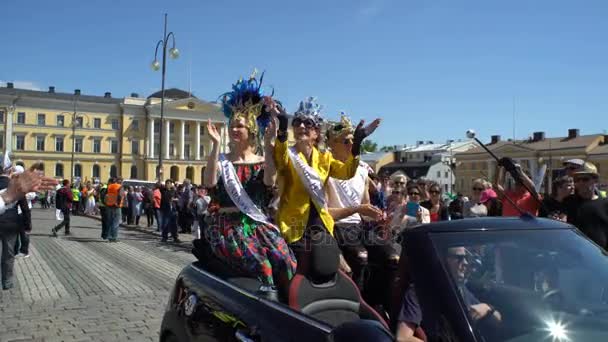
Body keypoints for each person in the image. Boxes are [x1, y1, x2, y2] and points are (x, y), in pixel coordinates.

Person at [201, 72, 296, 300]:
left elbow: (270, 181)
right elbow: (210, 183)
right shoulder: (222, 160)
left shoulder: (261, 161)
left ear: (251, 129)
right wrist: (215, 146)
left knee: (286, 260)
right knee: (262, 265)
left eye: (240, 126)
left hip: (256, 225)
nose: (234, 129)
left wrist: (268, 144)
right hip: (226, 227)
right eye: (232, 125)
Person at [270, 96, 379, 273]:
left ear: (316, 132)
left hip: (321, 224)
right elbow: (279, 158)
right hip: (295, 226)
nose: (301, 127)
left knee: (342, 270)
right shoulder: (287, 155)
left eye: (308, 123)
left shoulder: (324, 158)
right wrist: (282, 126)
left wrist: (357, 142)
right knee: (304, 270)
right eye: (297, 122)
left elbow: (347, 172)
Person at [325, 113, 396, 295]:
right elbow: (325, 212)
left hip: (359, 228)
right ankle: (359, 306)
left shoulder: (362, 171)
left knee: (393, 257)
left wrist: (377, 215)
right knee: (360, 257)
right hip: (336, 229)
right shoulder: (324, 169)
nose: (351, 145)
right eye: (345, 141)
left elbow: (364, 208)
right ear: (331, 144)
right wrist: (357, 209)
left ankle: (381, 304)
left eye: (353, 141)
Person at [395, 246, 501, 341]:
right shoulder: (419, 292)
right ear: (442, 261)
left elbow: (498, 319)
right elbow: (403, 337)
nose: (465, 263)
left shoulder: (460, 289)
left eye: (466, 258)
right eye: (459, 258)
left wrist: (488, 308)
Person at [564, 162, 608, 248]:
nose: (580, 183)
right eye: (577, 180)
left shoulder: (605, 204)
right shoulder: (568, 202)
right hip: (575, 253)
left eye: (585, 179)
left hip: (601, 256)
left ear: (595, 180)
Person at [104, 177, 123, 242]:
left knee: (109, 221)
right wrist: (118, 203)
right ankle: (114, 237)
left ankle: (109, 236)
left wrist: (106, 203)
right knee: (116, 222)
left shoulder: (109, 186)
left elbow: (106, 195)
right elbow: (120, 196)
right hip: (116, 206)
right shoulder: (119, 186)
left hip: (109, 205)